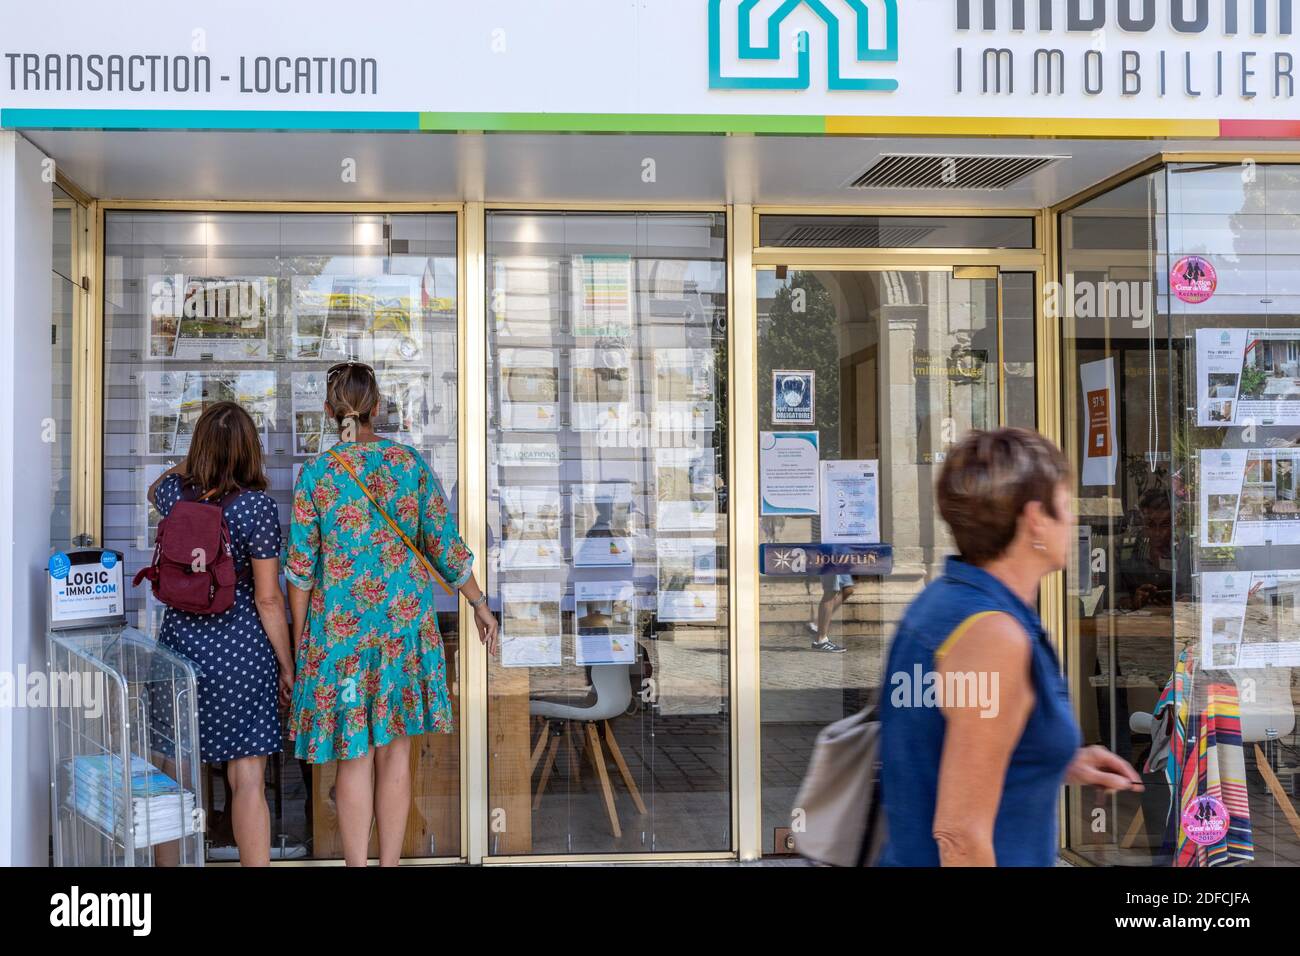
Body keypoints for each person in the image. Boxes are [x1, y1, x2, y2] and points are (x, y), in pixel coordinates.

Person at [878, 428, 1142, 866]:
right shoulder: (992, 636)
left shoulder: (940, 604)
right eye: (1065, 504)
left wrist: (1051, 757)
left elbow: (947, 740)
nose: (1073, 520)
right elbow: (959, 836)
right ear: (1036, 519)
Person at [284, 361, 497, 867]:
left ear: (329, 412)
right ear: (377, 408)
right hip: (403, 631)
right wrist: (479, 604)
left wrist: (299, 645)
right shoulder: (408, 464)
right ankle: (390, 866)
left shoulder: (317, 474)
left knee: (353, 755)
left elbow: (299, 573)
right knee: (396, 753)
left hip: (341, 637)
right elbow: (443, 545)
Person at [146, 401, 292, 867]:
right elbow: (269, 599)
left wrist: (197, 458)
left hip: (179, 649)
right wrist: (287, 665)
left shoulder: (174, 496)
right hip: (242, 650)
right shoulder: (257, 509)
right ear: (251, 450)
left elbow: (156, 486)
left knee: (174, 774)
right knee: (247, 779)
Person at [806, 575, 853, 652]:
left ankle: (817, 624)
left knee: (848, 589)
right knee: (831, 591)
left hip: (840, 563)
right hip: (830, 563)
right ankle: (821, 640)